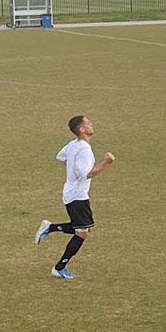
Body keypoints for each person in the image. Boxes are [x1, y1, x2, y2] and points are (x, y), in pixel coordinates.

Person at [33, 116, 115, 279]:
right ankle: (59, 267)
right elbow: (88, 174)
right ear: (82, 129)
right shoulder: (84, 149)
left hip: (72, 193)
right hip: (77, 196)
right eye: (88, 123)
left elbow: (61, 157)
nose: (91, 124)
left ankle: (51, 228)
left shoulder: (73, 144)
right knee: (82, 233)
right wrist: (106, 162)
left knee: (85, 228)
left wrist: (72, 170)